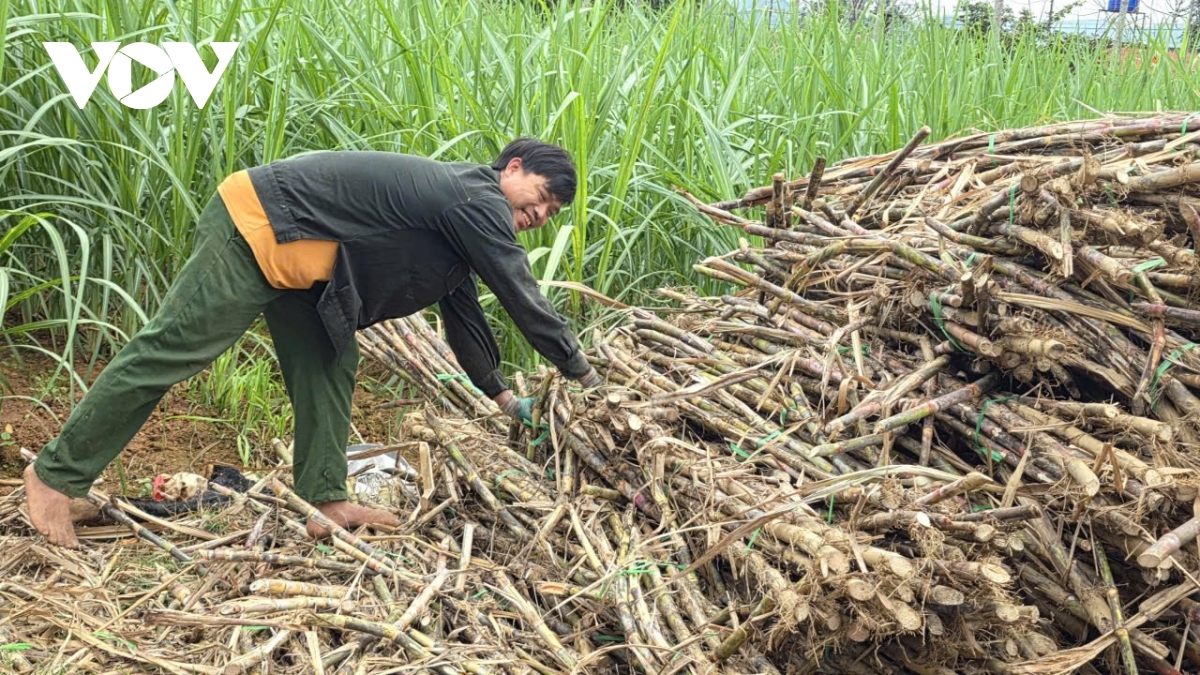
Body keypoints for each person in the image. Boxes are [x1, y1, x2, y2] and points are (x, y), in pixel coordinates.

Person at [24, 138, 603, 548]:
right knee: (170, 351)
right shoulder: (474, 196)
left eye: (552, 213)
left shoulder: (463, 231)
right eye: (543, 197)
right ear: (513, 167)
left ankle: (324, 502)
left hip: (307, 274)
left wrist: (503, 398)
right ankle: (54, 477)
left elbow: (468, 320)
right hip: (256, 226)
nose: (541, 215)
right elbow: (521, 294)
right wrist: (586, 377)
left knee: (331, 361)